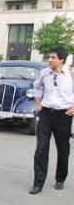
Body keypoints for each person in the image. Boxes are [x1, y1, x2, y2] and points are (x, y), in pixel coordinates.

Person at [29, 45, 74, 195]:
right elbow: (37, 86)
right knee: (41, 149)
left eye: (53, 57)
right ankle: (38, 183)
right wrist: (37, 103)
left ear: (61, 59)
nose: (50, 60)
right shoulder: (44, 73)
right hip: (46, 114)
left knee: (63, 149)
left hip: (64, 115)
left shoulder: (71, 74)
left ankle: (60, 178)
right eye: (49, 57)